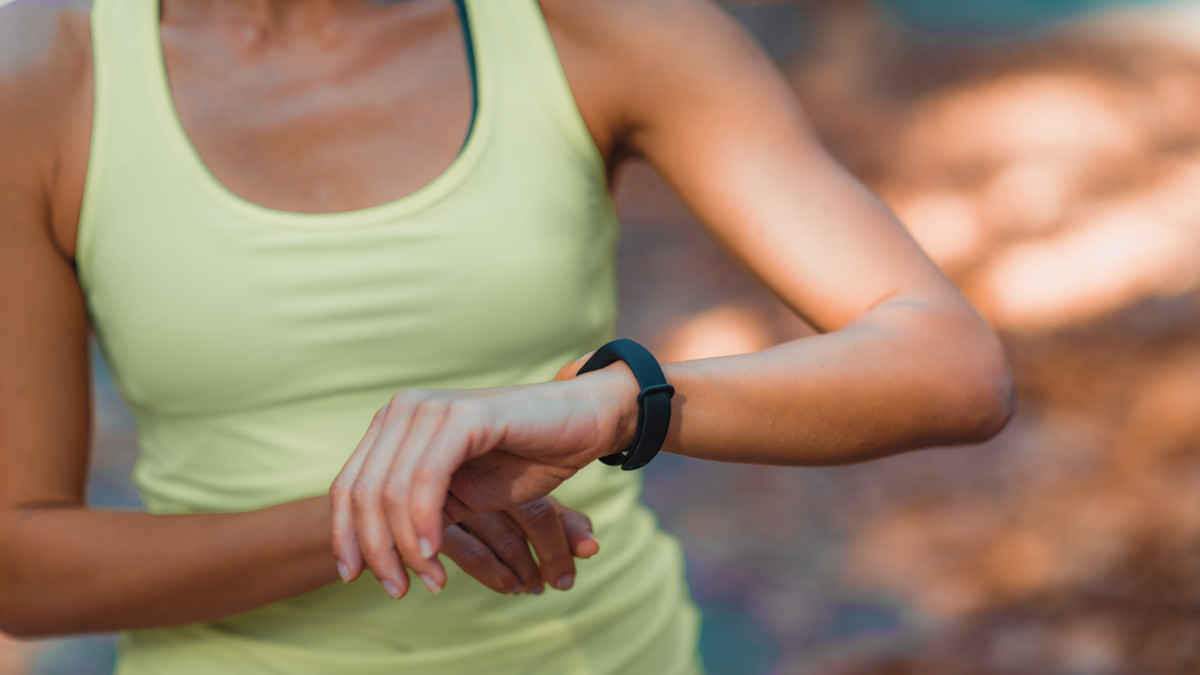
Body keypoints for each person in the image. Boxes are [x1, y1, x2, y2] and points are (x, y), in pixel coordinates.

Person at [0, 0, 1016, 672]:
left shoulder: (593, 24)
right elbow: (22, 564)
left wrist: (620, 399)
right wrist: (389, 514)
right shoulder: (47, 73)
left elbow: (951, 366)